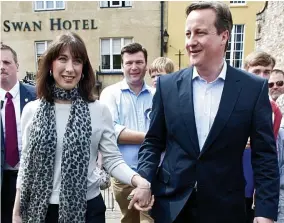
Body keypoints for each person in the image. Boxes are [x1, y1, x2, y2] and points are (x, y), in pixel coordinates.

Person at [136, 2, 279, 223]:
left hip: (226, 208)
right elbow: (153, 141)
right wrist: (144, 179)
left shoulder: (252, 89)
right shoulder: (167, 86)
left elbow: (265, 157)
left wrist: (264, 212)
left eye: (200, 33)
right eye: (188, 33)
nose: (191, 42)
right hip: (172, 207)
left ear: (224, 36)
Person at [12, 32, 153, 223]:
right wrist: (17, 212)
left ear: (84, 68)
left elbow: (112, 159)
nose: (70, 68)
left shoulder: (99, 110)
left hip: (88, 209)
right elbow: (26, 164)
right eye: (63, 59)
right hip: (40, 210)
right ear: (50, 65)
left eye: (77, 61)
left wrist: (140, 181)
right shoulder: (32, 110)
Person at [100, 43, 154, 223]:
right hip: (124, 175)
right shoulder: (110, 94)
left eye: (139, 62)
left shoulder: (157, 94)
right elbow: (112, 132)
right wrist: (151, 137)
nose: (134, 67)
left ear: (146, 65)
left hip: (154, 173)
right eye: (129, 63)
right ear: (122, 66)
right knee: (129, 220)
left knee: (151, 220)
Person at [243, 51, 282, 223]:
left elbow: (269, 154)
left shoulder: (274, 110)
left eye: (267, 72)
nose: (262, 77)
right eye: (257, 71)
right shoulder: (233, 101)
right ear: (246, 71)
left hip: (252, 180)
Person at [0, 43, 36, 223]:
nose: (1, 67)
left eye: (7, 62)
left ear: (17, 66)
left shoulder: (37, 96)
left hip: (31, 176)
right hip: (2, 178)